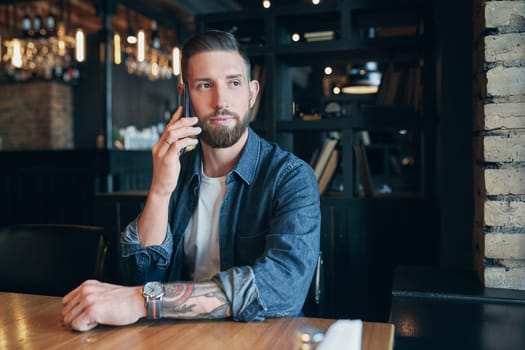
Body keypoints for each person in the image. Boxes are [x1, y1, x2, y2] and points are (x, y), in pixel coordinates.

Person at [62, 30, 320, 332]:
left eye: (233, 83)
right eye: (204, 85)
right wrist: (160, 189)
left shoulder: (290, 176)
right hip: (177, 338)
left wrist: (146, 302)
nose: (221, 100)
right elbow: (137, 277)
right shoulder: (177, 172)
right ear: (184, 95)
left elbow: (284, 288)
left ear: (252, 93)